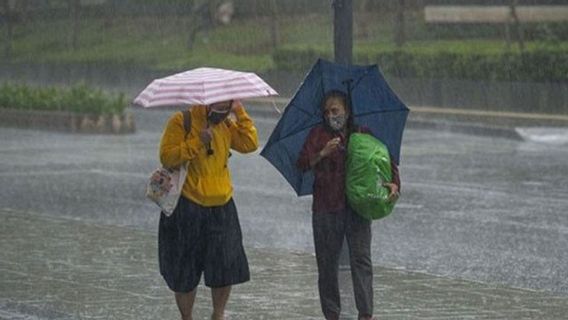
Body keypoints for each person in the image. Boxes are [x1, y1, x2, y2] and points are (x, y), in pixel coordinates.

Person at [297, 90, 400, 320]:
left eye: (335, 110)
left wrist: (394, 184)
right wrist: (322, 153)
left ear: (347, 111)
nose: (331, 115)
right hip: (326, 208)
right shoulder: (318, 135)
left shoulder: (362, 134)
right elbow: (302, 162)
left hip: (358, 208)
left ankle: (365, 313)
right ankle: (332, 313)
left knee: (361, 260)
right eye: (327, 112)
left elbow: (385, 161)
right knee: (327, 265)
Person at [157, 99, 258, 320]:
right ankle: (187, 316)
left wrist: (240, 113)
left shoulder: (226, 125)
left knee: (225, 267)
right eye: (218, 106)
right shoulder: (181, 121)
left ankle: (218, 314)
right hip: (188, 205)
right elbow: (167, 156)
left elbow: (250, 143)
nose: (222, 111)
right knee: (184, 270)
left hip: (222, 205)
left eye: (227, 105)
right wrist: (197, 142)